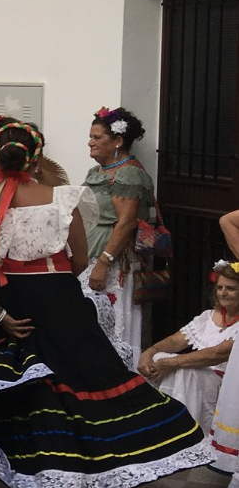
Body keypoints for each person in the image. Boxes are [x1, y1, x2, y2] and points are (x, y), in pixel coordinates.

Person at [0, 122, 211, 488]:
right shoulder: (64, 199)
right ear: (36, 156)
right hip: (58, 304)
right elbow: (80, 259)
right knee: (77, 395)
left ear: (3, 155)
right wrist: (51, 288)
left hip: (5, 308)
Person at [81, 106, 156, 364]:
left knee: (115, 320)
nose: (90, 142)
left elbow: (125, 223)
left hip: (113, 262)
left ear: (118, 141)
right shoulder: (97, 172)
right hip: (92, 255)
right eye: (90, 136)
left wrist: (103, 263)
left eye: (97, 137)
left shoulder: (128, 174)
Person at [138, 262, 238, 435]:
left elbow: (217, 354)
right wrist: (150, 352)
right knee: (159, 358)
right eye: (220, 287)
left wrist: (173, 363)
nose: (223, 292)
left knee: (187, 372)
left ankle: (180, 431)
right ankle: (155, 424)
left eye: (230, 288)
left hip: (226, 386)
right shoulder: (208, 317)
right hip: (200, 381)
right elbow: (177, 340)